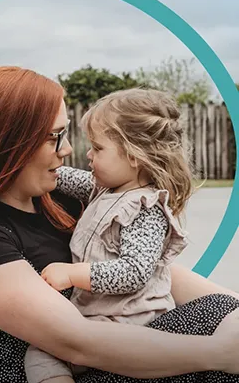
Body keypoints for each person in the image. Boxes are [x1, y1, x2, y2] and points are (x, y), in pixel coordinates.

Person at [0, 66, 239, 383]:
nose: (68, 150)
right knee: (212, 324)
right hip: (58, 368)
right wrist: (217, 352)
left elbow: (149, 269)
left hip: (117, 353)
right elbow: (76, 342)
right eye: (54, 137)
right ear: (7, 144)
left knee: (221, 310)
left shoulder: (63, 202)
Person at [24, 88, 193, 383]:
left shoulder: (147, 207)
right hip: (105, 319)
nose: (87, 154)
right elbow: (61, 175)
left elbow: (134, 272)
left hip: (133, 321)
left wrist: (73, 273)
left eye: (98, 148)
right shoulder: (102, 188)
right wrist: (26, 162)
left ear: (134, 156)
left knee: (44, 352)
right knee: (43, 352)